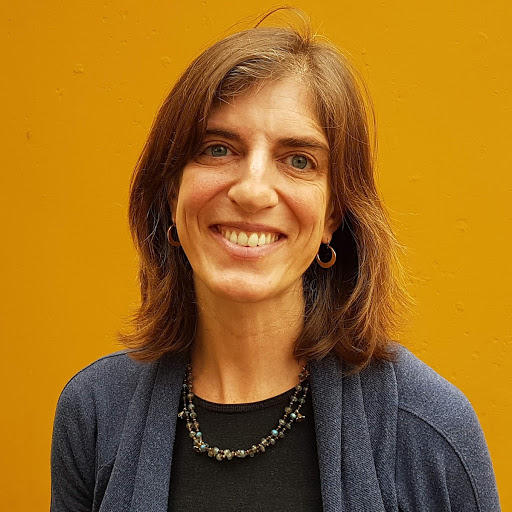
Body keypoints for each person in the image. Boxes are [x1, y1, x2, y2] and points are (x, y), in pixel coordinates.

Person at [50, 12, 501, 512]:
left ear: (333, 214)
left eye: (298, 160)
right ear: (172, 192)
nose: (252, 190)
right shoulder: (95, 412)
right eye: (218, 149)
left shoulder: (428, 429)